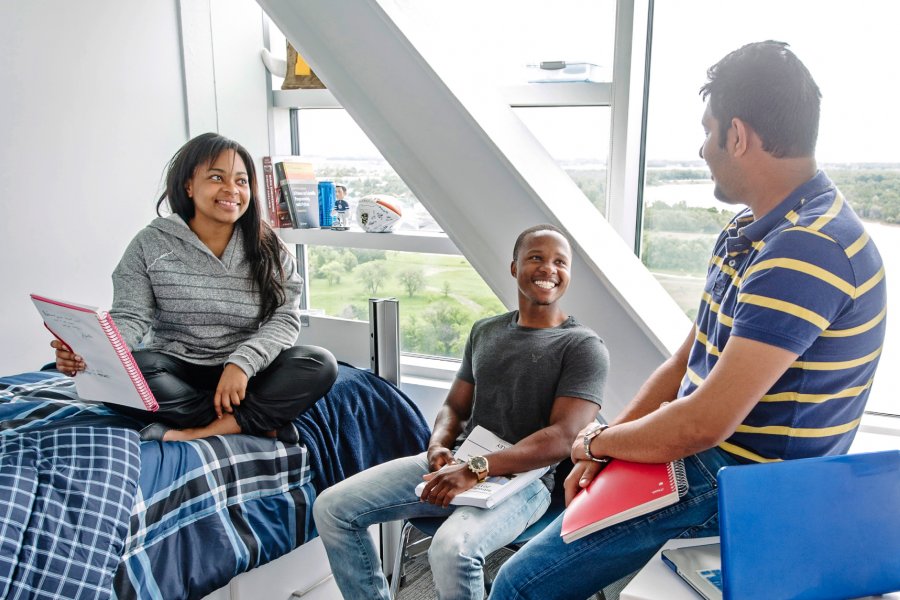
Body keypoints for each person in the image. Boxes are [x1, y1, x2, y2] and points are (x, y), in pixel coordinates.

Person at [488, 41, 887, 600]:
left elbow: (706, 423)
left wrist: (599, 445)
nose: (702, 149)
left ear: (739, 135)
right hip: (703, 459)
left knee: (518, 585)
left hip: (739, 482)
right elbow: (685, 362)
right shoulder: (751, 232)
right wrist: (604, 446)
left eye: (708, 131)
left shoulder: (808, 248)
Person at [313, 224, 609, 600]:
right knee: (332, 508)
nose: (548, 269)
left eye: (559, 262)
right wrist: (438, 446)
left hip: (527, 480)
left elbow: (562, 438)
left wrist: (475, 469)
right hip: (464, 461)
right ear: (514, 267)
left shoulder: (583, 345)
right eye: (536, 257)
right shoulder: (485, 331)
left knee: (452, 550)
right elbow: (455, 405)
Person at [51, 132, 338, 443]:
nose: (231, 189)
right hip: (177, 368)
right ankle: (253, 420)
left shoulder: (269, 247)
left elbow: (284, 319)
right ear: (188, 185)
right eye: (217, 177)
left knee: (318, 363)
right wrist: (91, 352)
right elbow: (131, 316)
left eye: (241, 181)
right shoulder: (150, 243)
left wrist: (242, 364)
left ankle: (203, 430)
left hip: (246, 374)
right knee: (129, 375)